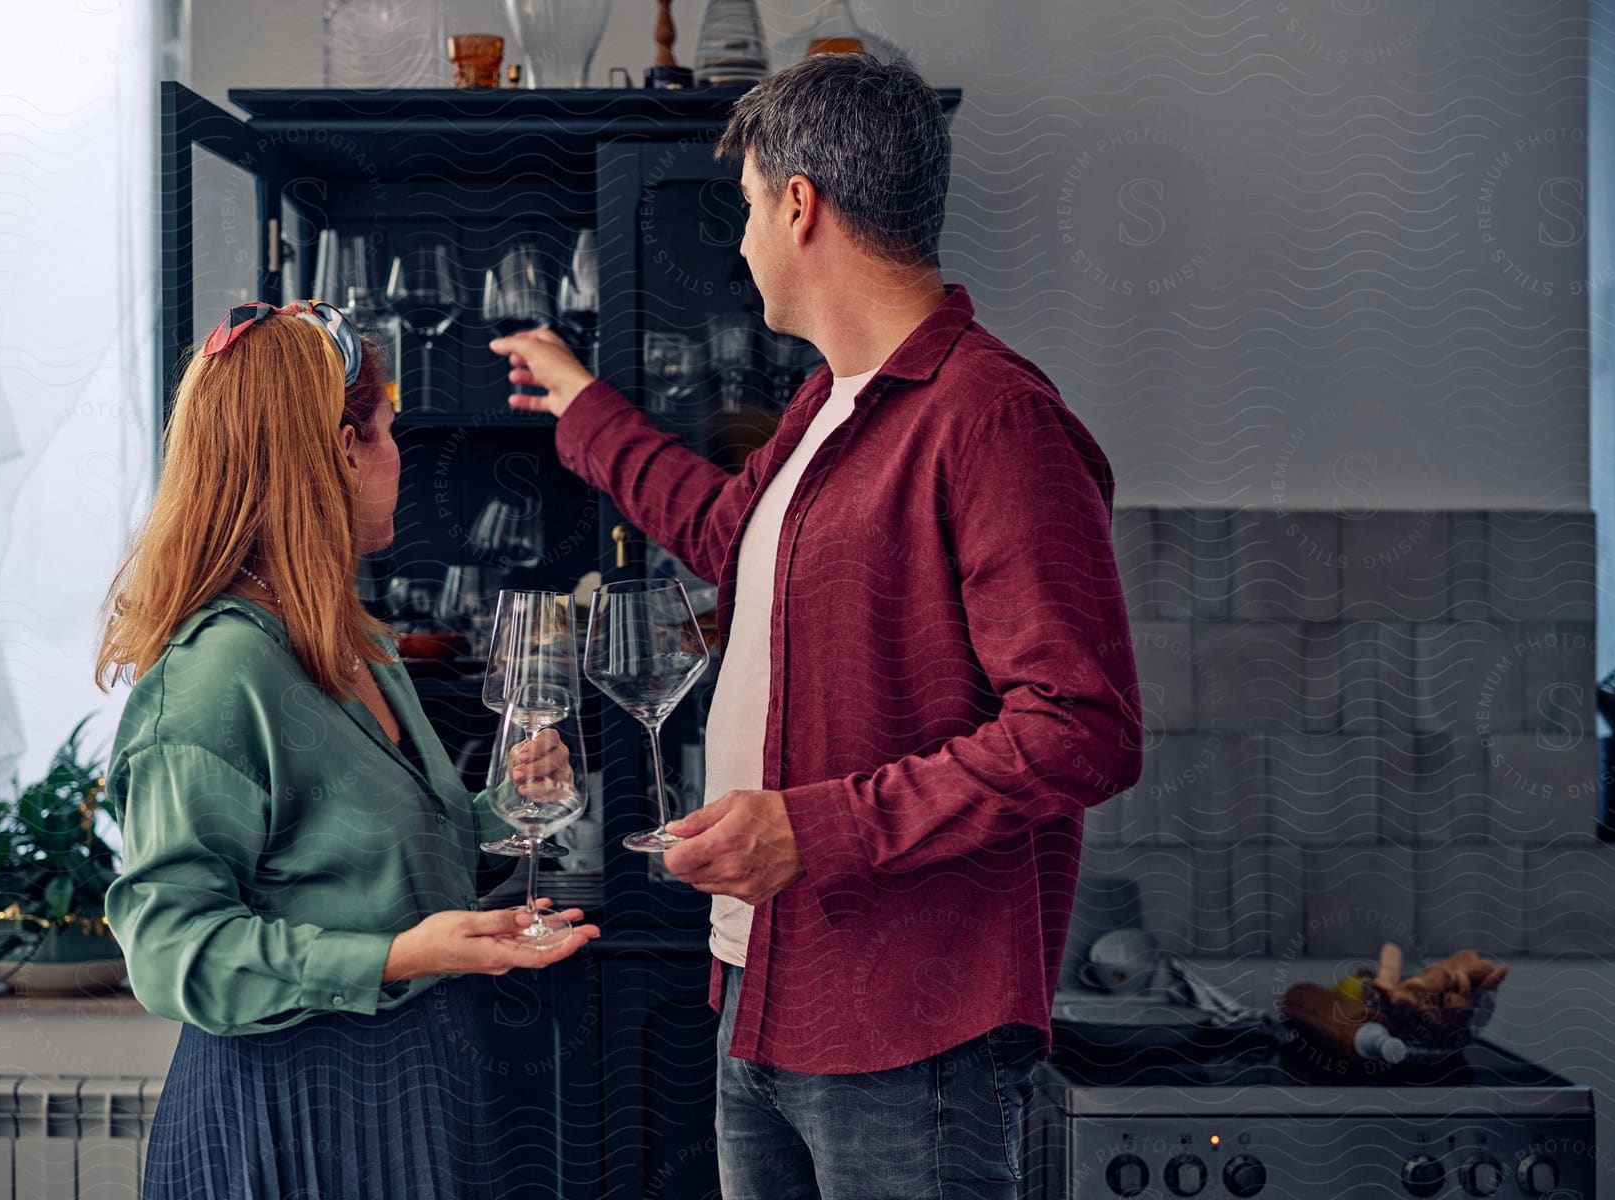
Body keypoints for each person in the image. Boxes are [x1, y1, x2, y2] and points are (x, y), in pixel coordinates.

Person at [490, 54, 1141, 1199]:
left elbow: (1083, 726)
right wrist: (584, 407)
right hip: (760, 990)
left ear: (802, 205)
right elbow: (717, 528)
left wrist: (813, 832)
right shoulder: (824, 404)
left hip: (911, 1030)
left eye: (747, 206)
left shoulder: (995, 420)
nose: (741, 242)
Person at [96, 300, 598, 1200]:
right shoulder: (217, 675)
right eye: (388, 433)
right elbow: (175, 953)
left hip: (414, 1078)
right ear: (338, 449)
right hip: (289, 1111)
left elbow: (373, 858)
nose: (401, 458)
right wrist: (402, 955)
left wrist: (509, 805)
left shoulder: (348, 639)